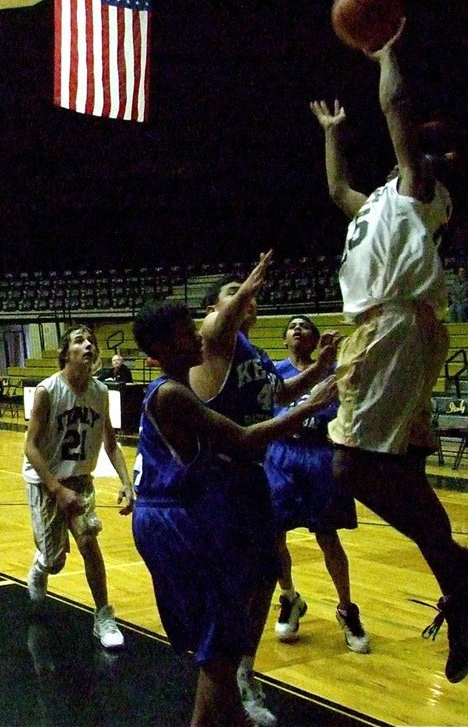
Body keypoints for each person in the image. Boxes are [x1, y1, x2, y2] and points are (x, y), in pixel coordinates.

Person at [310, 19, 468, 684]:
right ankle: (467, 588)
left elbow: (396, 108)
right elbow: (337, 191)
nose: (412, 150)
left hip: (395, 328)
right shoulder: (381, 204)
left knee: (350, 468)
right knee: (403, 473)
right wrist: (333, 134)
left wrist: (385, 54)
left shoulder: (422, 192)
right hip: (388, 331)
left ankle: (467, 575)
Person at [130, 302, 337, 727]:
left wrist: (315, 373)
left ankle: (230, 717)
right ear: (164, 348)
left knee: (221, 629)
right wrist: (312, 405)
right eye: (188, 332)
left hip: (170, 513)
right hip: (172, 517)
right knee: (221, 636)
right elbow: (243, 439)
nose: (199, 336)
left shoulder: (181, 388)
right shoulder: (171, 393)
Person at [190, 253, 339, 727]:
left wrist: (320, 370)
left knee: (267, 575)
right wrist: (249, 283)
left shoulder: (253, 354)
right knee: (232, 594)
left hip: (252, 476)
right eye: (231, 293)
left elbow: (280, 393)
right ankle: (221, 689)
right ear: (214, 308)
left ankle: (243, 672)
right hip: (220, 479)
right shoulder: (213, 340)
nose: (245, 298)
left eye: (247, 292)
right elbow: (219, 322)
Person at [22, 325, 134, 650]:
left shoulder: (100, 392)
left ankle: (103, 616)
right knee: (55, 562)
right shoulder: (47, 391)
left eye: (91, 341)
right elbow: (30, 446)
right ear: (65, 353)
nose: (88, 345)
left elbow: (110, 443)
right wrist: (56, 489)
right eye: (79, 341)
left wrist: (127, 482)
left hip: (80, 479)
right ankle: (42, 564)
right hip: (46, 480)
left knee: (88, 543)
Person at [263, 316, 369, 654]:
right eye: (292, 326)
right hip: (280, 452)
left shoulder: (333, 373)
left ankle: (346, 608)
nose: (298, 329)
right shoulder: (273, 372)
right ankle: (289, 597)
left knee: (328, 536)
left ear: (316, 339)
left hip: (319, 452)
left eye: (305, 326)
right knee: (274, 534)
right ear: (284, 339)